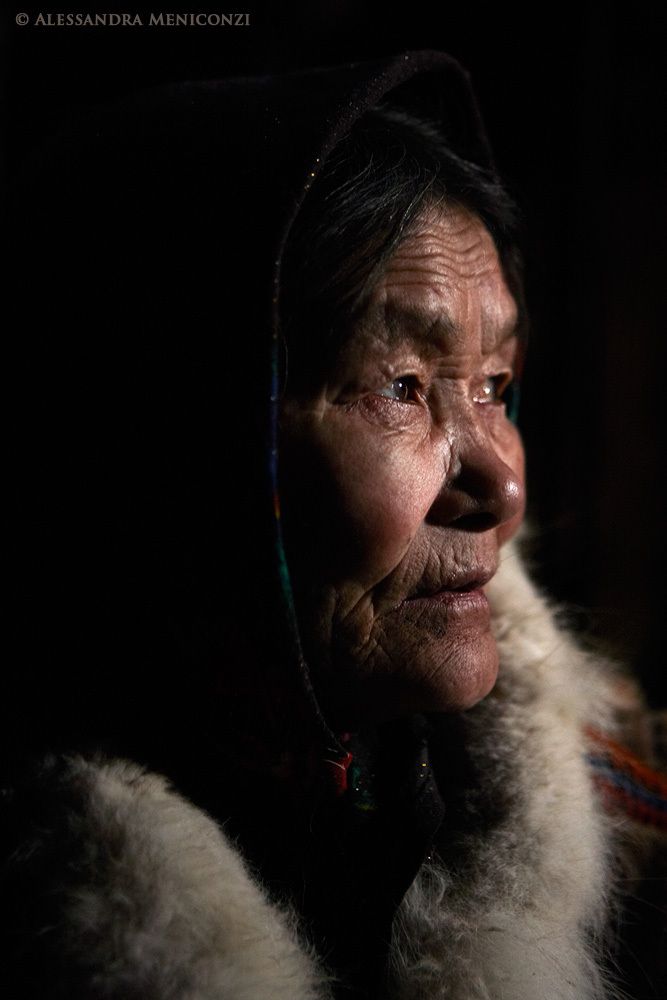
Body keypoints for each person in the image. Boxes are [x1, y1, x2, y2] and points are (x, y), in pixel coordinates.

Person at [4, 50, 666, 999]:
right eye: (401, 388)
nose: (502, 488)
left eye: (494, 386)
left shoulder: (625, 819)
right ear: (179, 442)